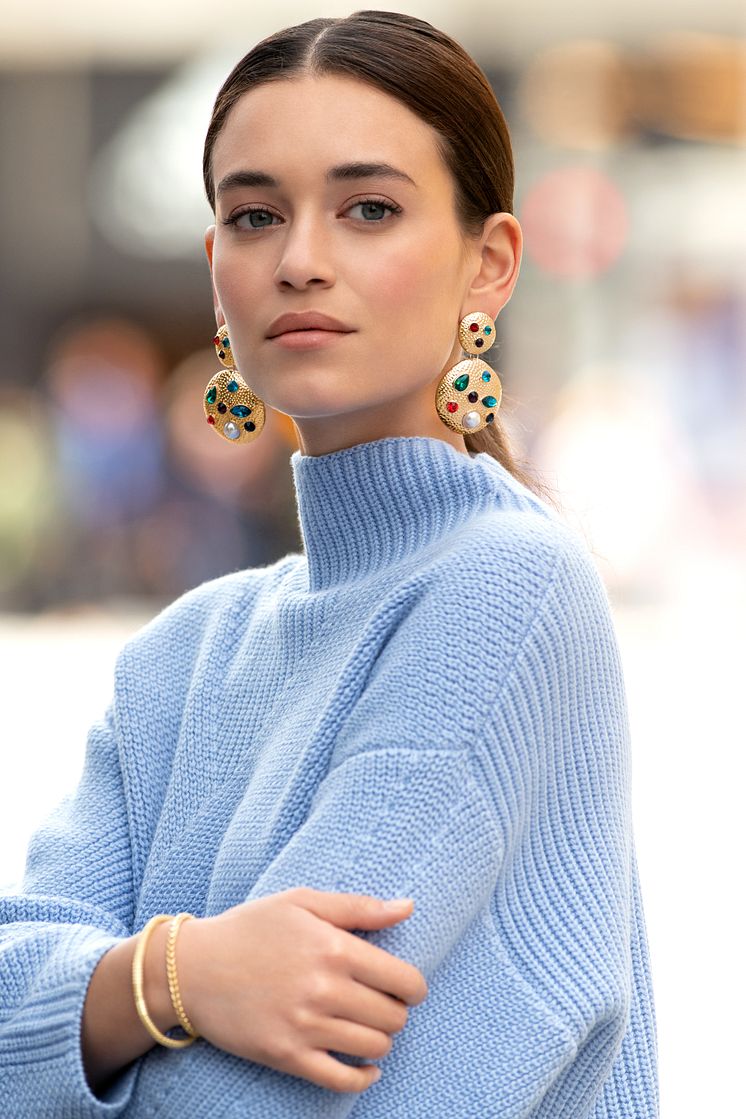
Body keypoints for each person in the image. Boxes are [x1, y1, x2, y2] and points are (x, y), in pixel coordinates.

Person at [0, 10, 659, 1117]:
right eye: (254, 215)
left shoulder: (507, 583)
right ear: (216, 272)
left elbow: (241, 1103)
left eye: (368, 209)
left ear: (488, 265)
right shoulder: (181, 652)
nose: (301, 261)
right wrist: (184, 977)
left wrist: (107, 1005)